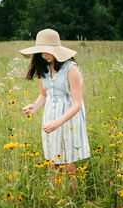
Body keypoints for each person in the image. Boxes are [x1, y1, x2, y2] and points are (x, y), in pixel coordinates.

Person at [20, 28, 90, 192]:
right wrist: (34, 107)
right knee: (53, 161)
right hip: (50, 117)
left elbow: (77, 103)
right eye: (41, 51)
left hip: (69, 118)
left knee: (68, 164)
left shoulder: (71, 68)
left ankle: (70, 197)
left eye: (48, 50)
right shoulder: (43, 68)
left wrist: (58, 123)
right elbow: (44, 95)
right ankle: (55, 197)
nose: (44, 54)